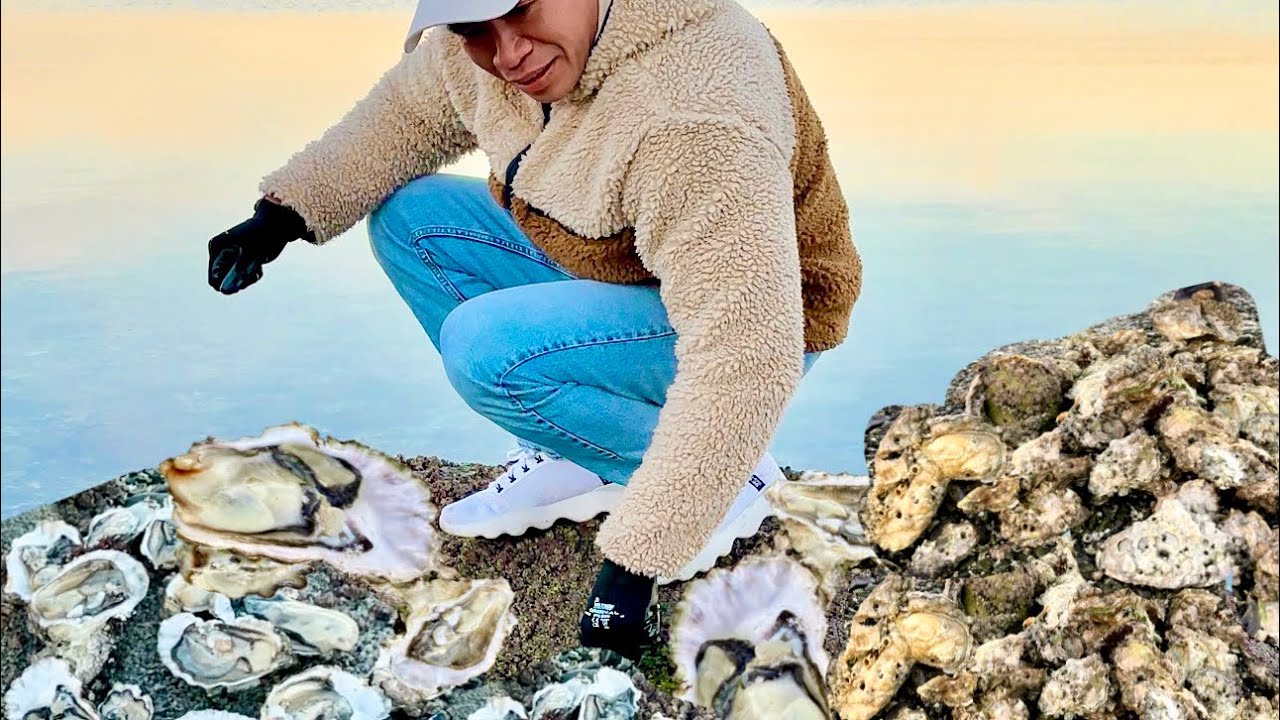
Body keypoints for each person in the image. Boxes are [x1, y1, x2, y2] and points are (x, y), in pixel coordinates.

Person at [206, 0, 861, 659]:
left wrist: (635, 563)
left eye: (520, 11)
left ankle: (725, 481)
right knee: (413, 218)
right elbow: (405, 115)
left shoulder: (693, 112)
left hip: (764, 318)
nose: (508, 53)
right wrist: (281, 216)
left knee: (486, 350)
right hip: (633, 268)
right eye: (475, 31)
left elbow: (748, 351)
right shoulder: (504, 51)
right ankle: (583, 451)